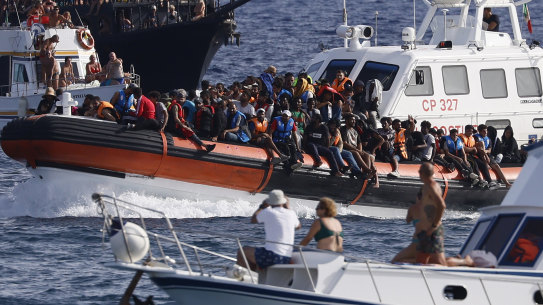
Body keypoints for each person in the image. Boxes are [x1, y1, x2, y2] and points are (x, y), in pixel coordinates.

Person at [236, 190, 301, 271]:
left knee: (242, 251)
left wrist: (262, 207)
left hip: (273, 257)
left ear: (270, 202)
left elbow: (253, 220)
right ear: (283, 202)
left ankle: (246, 277)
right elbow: (298, 226)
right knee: (259, 252)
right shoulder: (291, 213)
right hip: (286, 258)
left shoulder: (269, 211)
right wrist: (288, 208)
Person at [415, 162, 447, 265]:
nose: (419, 173)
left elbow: (442, 205)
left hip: (432, 229)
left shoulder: (431, 187)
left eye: (420, 171)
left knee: (439, 262)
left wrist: (434, 225)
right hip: (426, 229)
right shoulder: (428, 186)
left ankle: (465, 262)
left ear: (423, 173)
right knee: (421, 260)